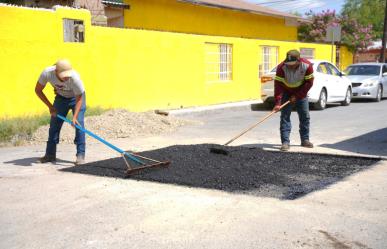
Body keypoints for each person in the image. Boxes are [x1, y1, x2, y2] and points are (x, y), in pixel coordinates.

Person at [35, 59, 86, 165]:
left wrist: (75, 117)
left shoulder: (75, 78)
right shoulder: (47, 73)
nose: (67, 77)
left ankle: (80, 155)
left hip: (76, 98)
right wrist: (50, 107)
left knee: (79, 125)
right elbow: (38, 90)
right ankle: (50, 155)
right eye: (64, 75)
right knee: (54, 125)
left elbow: (80, 98)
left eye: (68, 75)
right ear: (56, 72)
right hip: (61, 98)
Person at [273, 50, 314, 151]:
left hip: (301, 92)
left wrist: (298, 96)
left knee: (305, 116)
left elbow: (309, 83)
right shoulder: (281, 67)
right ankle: (285, 142)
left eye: (292, 64)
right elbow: (278, 86)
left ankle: (305, 140)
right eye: (288, 64)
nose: (290, 66)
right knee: (285, 117)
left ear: (298, 61)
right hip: (286, 92)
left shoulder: (307, 66)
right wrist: (278, 102)